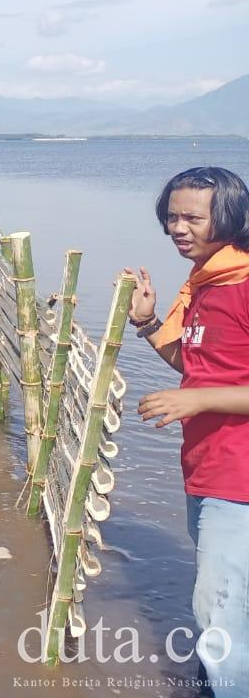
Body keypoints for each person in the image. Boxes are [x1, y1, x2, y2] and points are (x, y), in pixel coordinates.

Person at [127, 166, 249, 695]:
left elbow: (200, 388)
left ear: (229, 219)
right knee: (226, 605)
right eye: (172, 217)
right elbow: (199, 366)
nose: (179, 228)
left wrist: (195, 400)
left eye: (193, 218)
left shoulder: (241, 284)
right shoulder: (205, 282)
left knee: (219, 610)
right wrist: (150, 325)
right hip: (206, 466)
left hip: (239, 478)